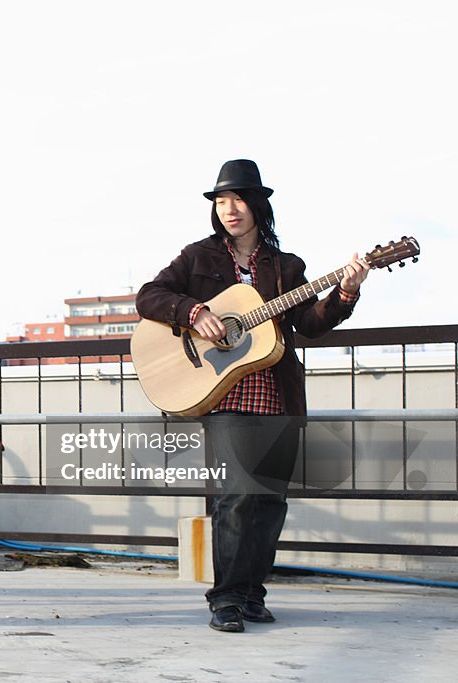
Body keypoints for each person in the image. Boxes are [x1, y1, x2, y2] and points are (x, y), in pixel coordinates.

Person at [135, 160, 369, 632]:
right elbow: (149, 296)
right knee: (237, 497)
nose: (230, 209)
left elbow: (309, 324)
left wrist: (345, 292)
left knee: (269, 502)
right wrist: (193, 311)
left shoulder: (286, 267)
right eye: (221, 201)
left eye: (238, 199)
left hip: (277, 395)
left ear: (259, 205)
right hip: (223, 394)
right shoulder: (199, 257)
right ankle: (225, 598)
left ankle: (251, 593)